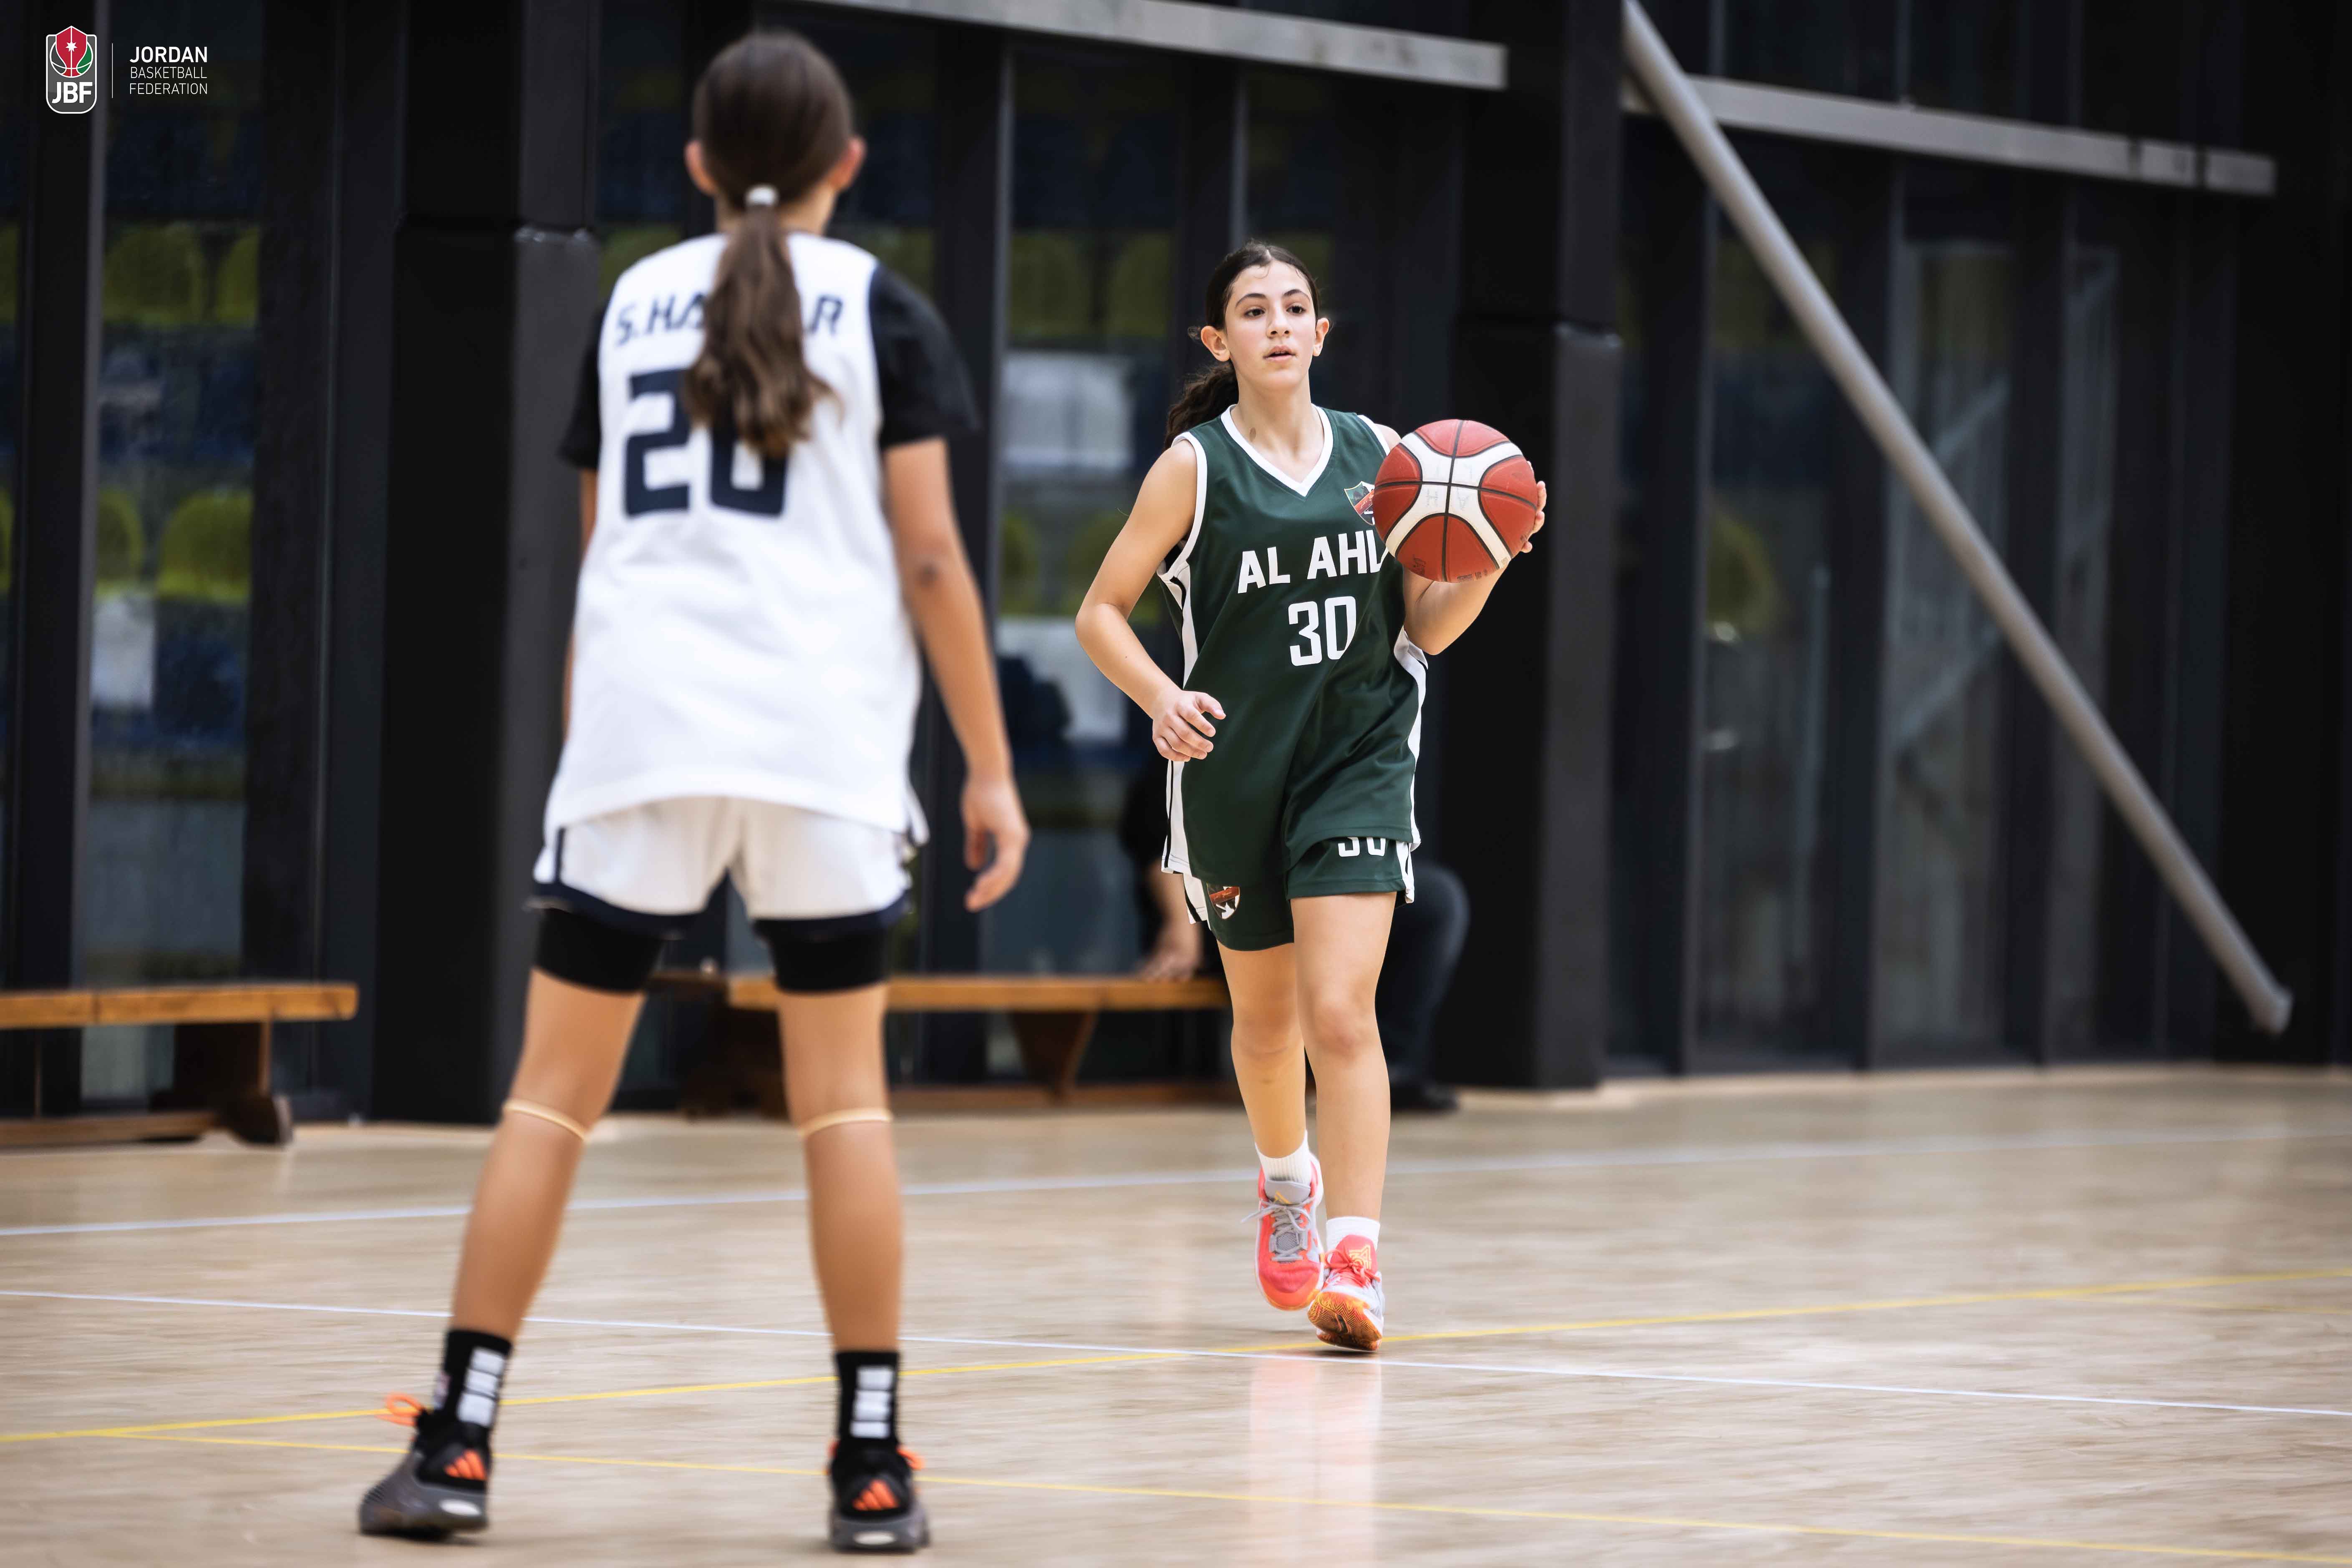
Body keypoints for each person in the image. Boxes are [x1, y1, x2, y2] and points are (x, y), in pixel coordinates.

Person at [357, 33, 1026, 1555]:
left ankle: (455, 1445)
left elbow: (606, 559)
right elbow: (930, 558)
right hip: (818, 745)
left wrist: (593, 758)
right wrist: (989, 765)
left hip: (644, 736)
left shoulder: (629, 300)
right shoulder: (886, 308)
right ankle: (872, 1466)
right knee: (843, 1105)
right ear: (848, 165)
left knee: (550, 1098)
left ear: (698, 167)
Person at [1074, 241, 1542, 1350]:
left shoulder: (1386, 457)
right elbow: (1100, 612)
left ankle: (1358, 1259)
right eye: (1254, 310)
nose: (1279, 324)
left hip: (1357, 760)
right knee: (1266, 1023)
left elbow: (1425, 629)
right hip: (1236, 770)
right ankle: (1289, 1184)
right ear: (1219, 340)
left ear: (1321, 335)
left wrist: (1490, 553)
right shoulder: (1193, 469)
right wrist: (1159, 695)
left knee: (1341, 1013)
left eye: (1295, 307)